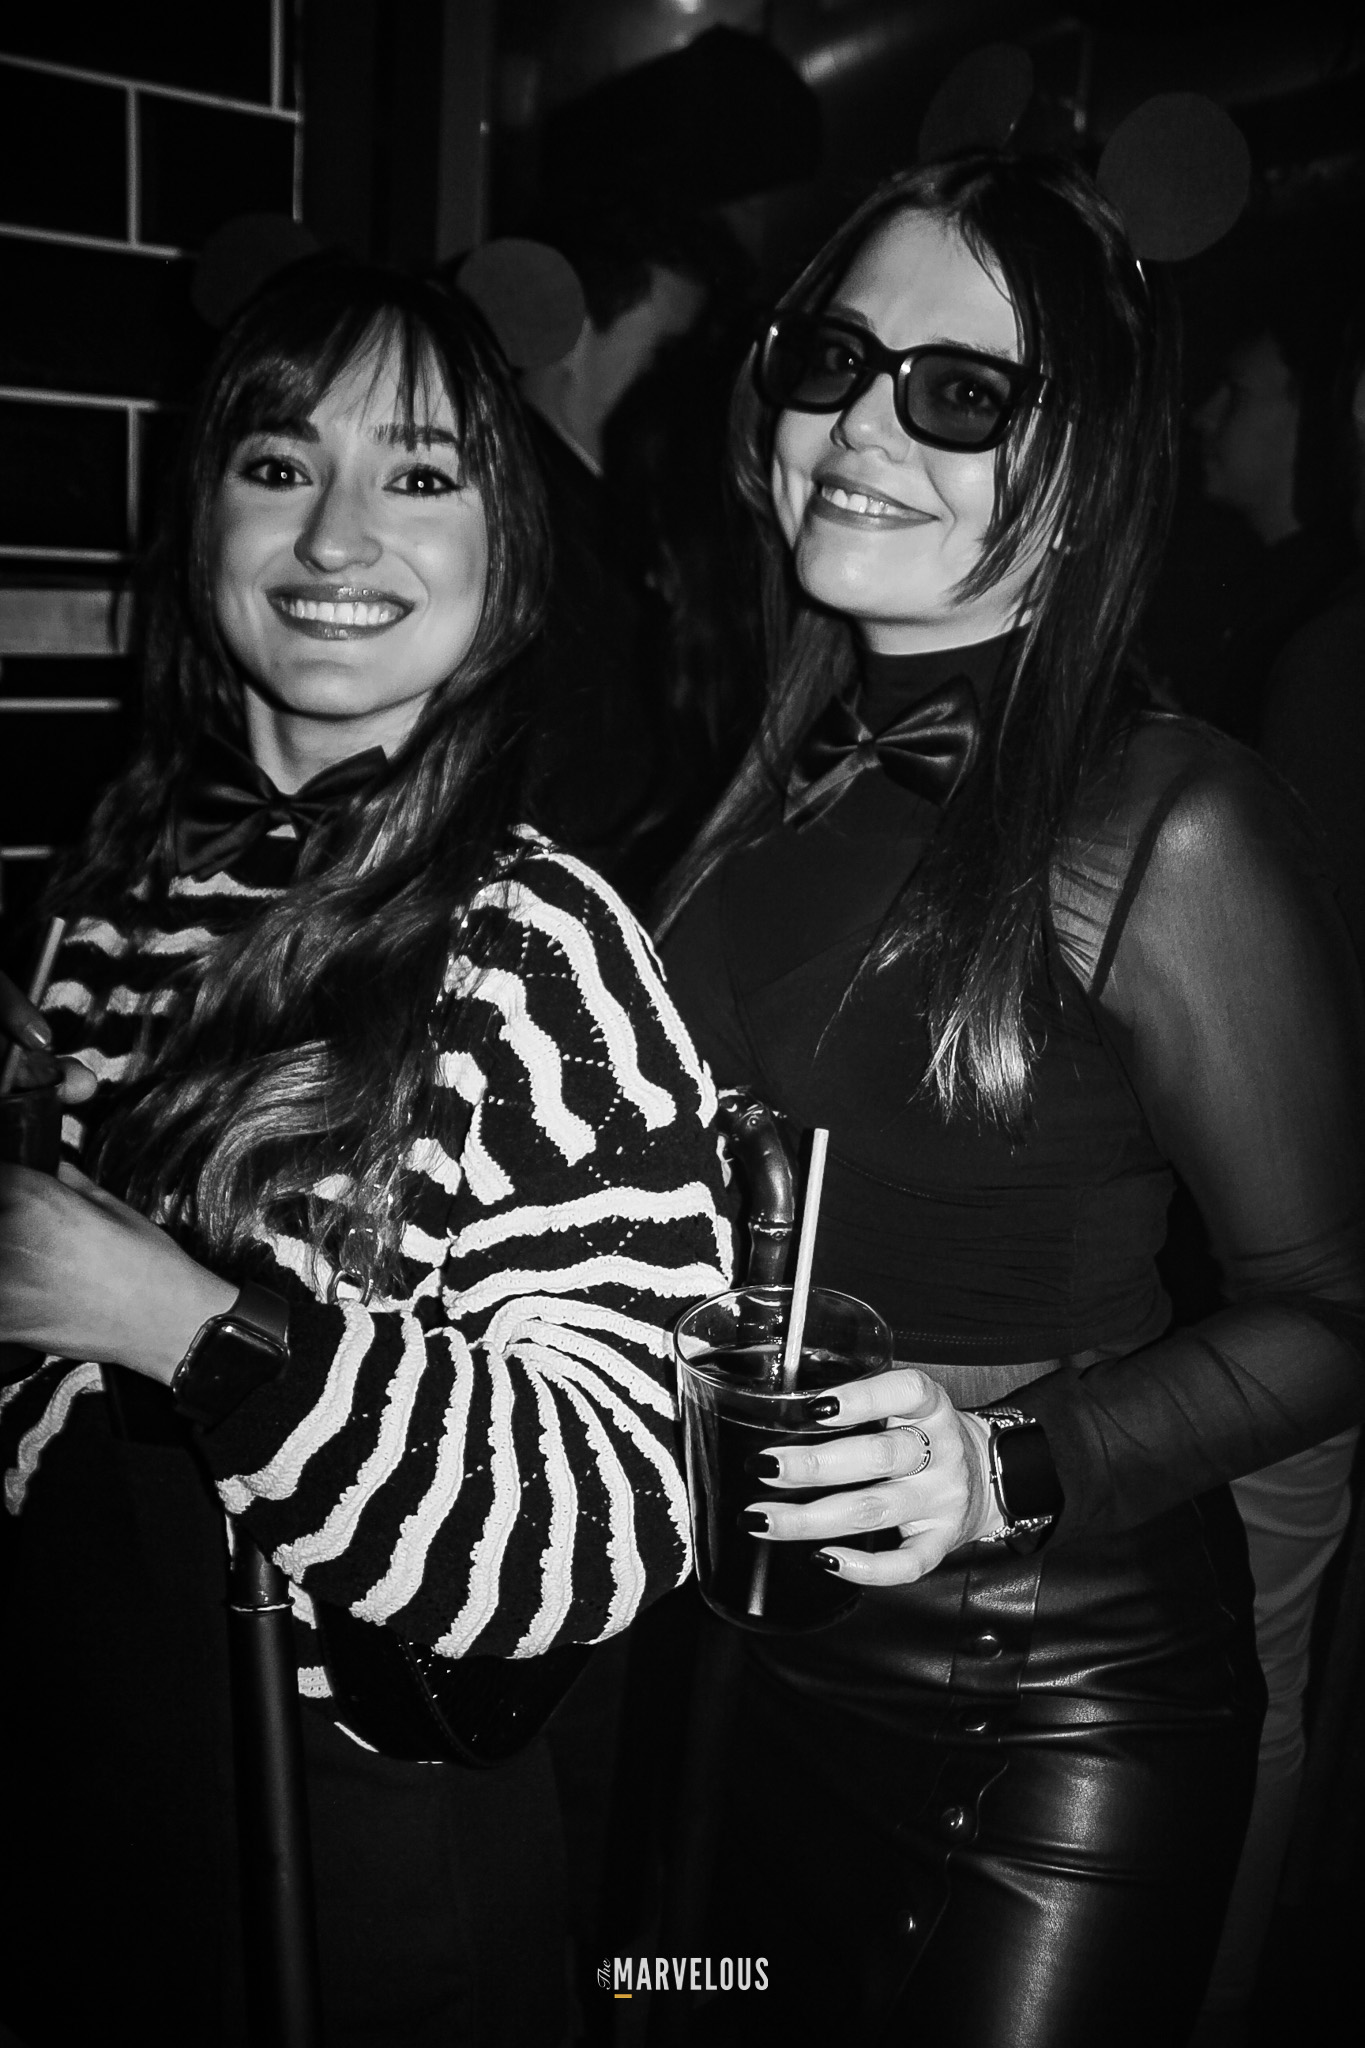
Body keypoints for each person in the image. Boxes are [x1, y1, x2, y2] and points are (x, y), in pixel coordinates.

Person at [656, 150, 1365, 2047]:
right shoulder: (771, 779)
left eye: (961, 391)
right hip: (745, 1656)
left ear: (1085, 469)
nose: (863, 425)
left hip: (1044, 1708)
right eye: (832, 360)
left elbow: (1333, 1311)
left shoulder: (1164, 821)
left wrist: (997, 1466)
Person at [0, 258, 729, 2048]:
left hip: (362, 1854)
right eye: (278, 465)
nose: (336, 534)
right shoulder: (117, 893)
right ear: (204, 518)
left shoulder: (534, 946)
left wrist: (186, 1326)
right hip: (94, 1801)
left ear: (504, 557)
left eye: (416, 474)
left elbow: (617, 1516)